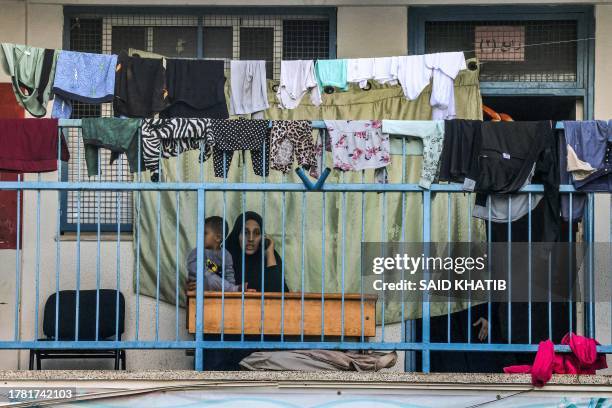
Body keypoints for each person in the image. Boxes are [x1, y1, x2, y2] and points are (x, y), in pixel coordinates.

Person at [225, 211, 289, 293]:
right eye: (245, 232)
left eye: (257, 233)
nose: (251, 238)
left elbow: (281, 294)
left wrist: (270, 254)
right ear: (237, 235)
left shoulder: (269, 257)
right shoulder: (223, 257)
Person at [186, 216, 242, 292]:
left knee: (215, 280)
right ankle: (233, 289)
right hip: (199, 285)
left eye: (205, 233)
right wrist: (206, 273)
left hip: (218, 288)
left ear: (218, 238)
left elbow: (229, 273)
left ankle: (232, 289)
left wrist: (229, 285)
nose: (200, 236)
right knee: (210, 278)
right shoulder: (197, 251)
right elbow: (192, 266)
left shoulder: (226, 255)